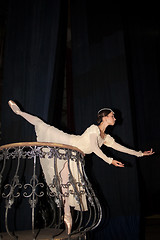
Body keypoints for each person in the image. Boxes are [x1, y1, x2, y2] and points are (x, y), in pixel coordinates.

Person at [8, 100, 154, 234]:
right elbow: (94, 148)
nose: (114, 118)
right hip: (68, 143)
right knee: (42, 125)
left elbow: (120, 147)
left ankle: (67, 215)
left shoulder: (105, 138)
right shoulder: (93, 129)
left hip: (74, 156)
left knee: (67, 185)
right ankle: (19, 112)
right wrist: (110, 160)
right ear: (104, 118)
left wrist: (140, 154)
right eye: (112, 115)